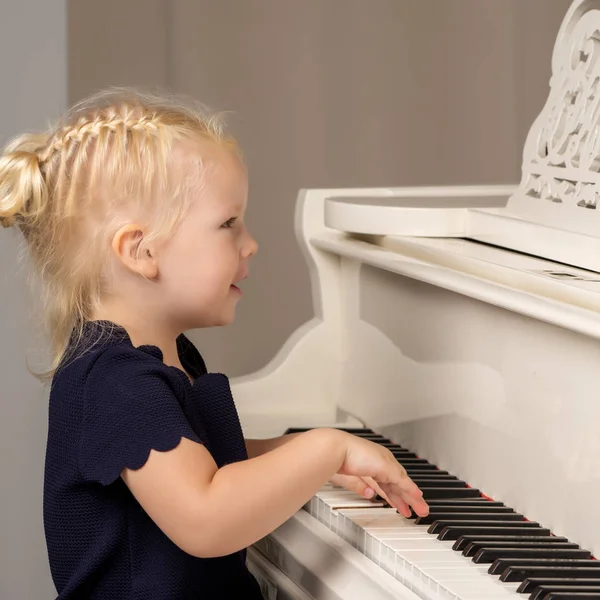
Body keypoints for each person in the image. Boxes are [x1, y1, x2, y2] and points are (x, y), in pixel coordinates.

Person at [0, 88, 429, 599]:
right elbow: (206, 519)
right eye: (228, 224)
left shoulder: (162, 359)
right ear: (141, 250)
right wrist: (325, 446)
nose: (250, 244)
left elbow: (205, 463)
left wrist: (309, 460)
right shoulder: (116, 384)